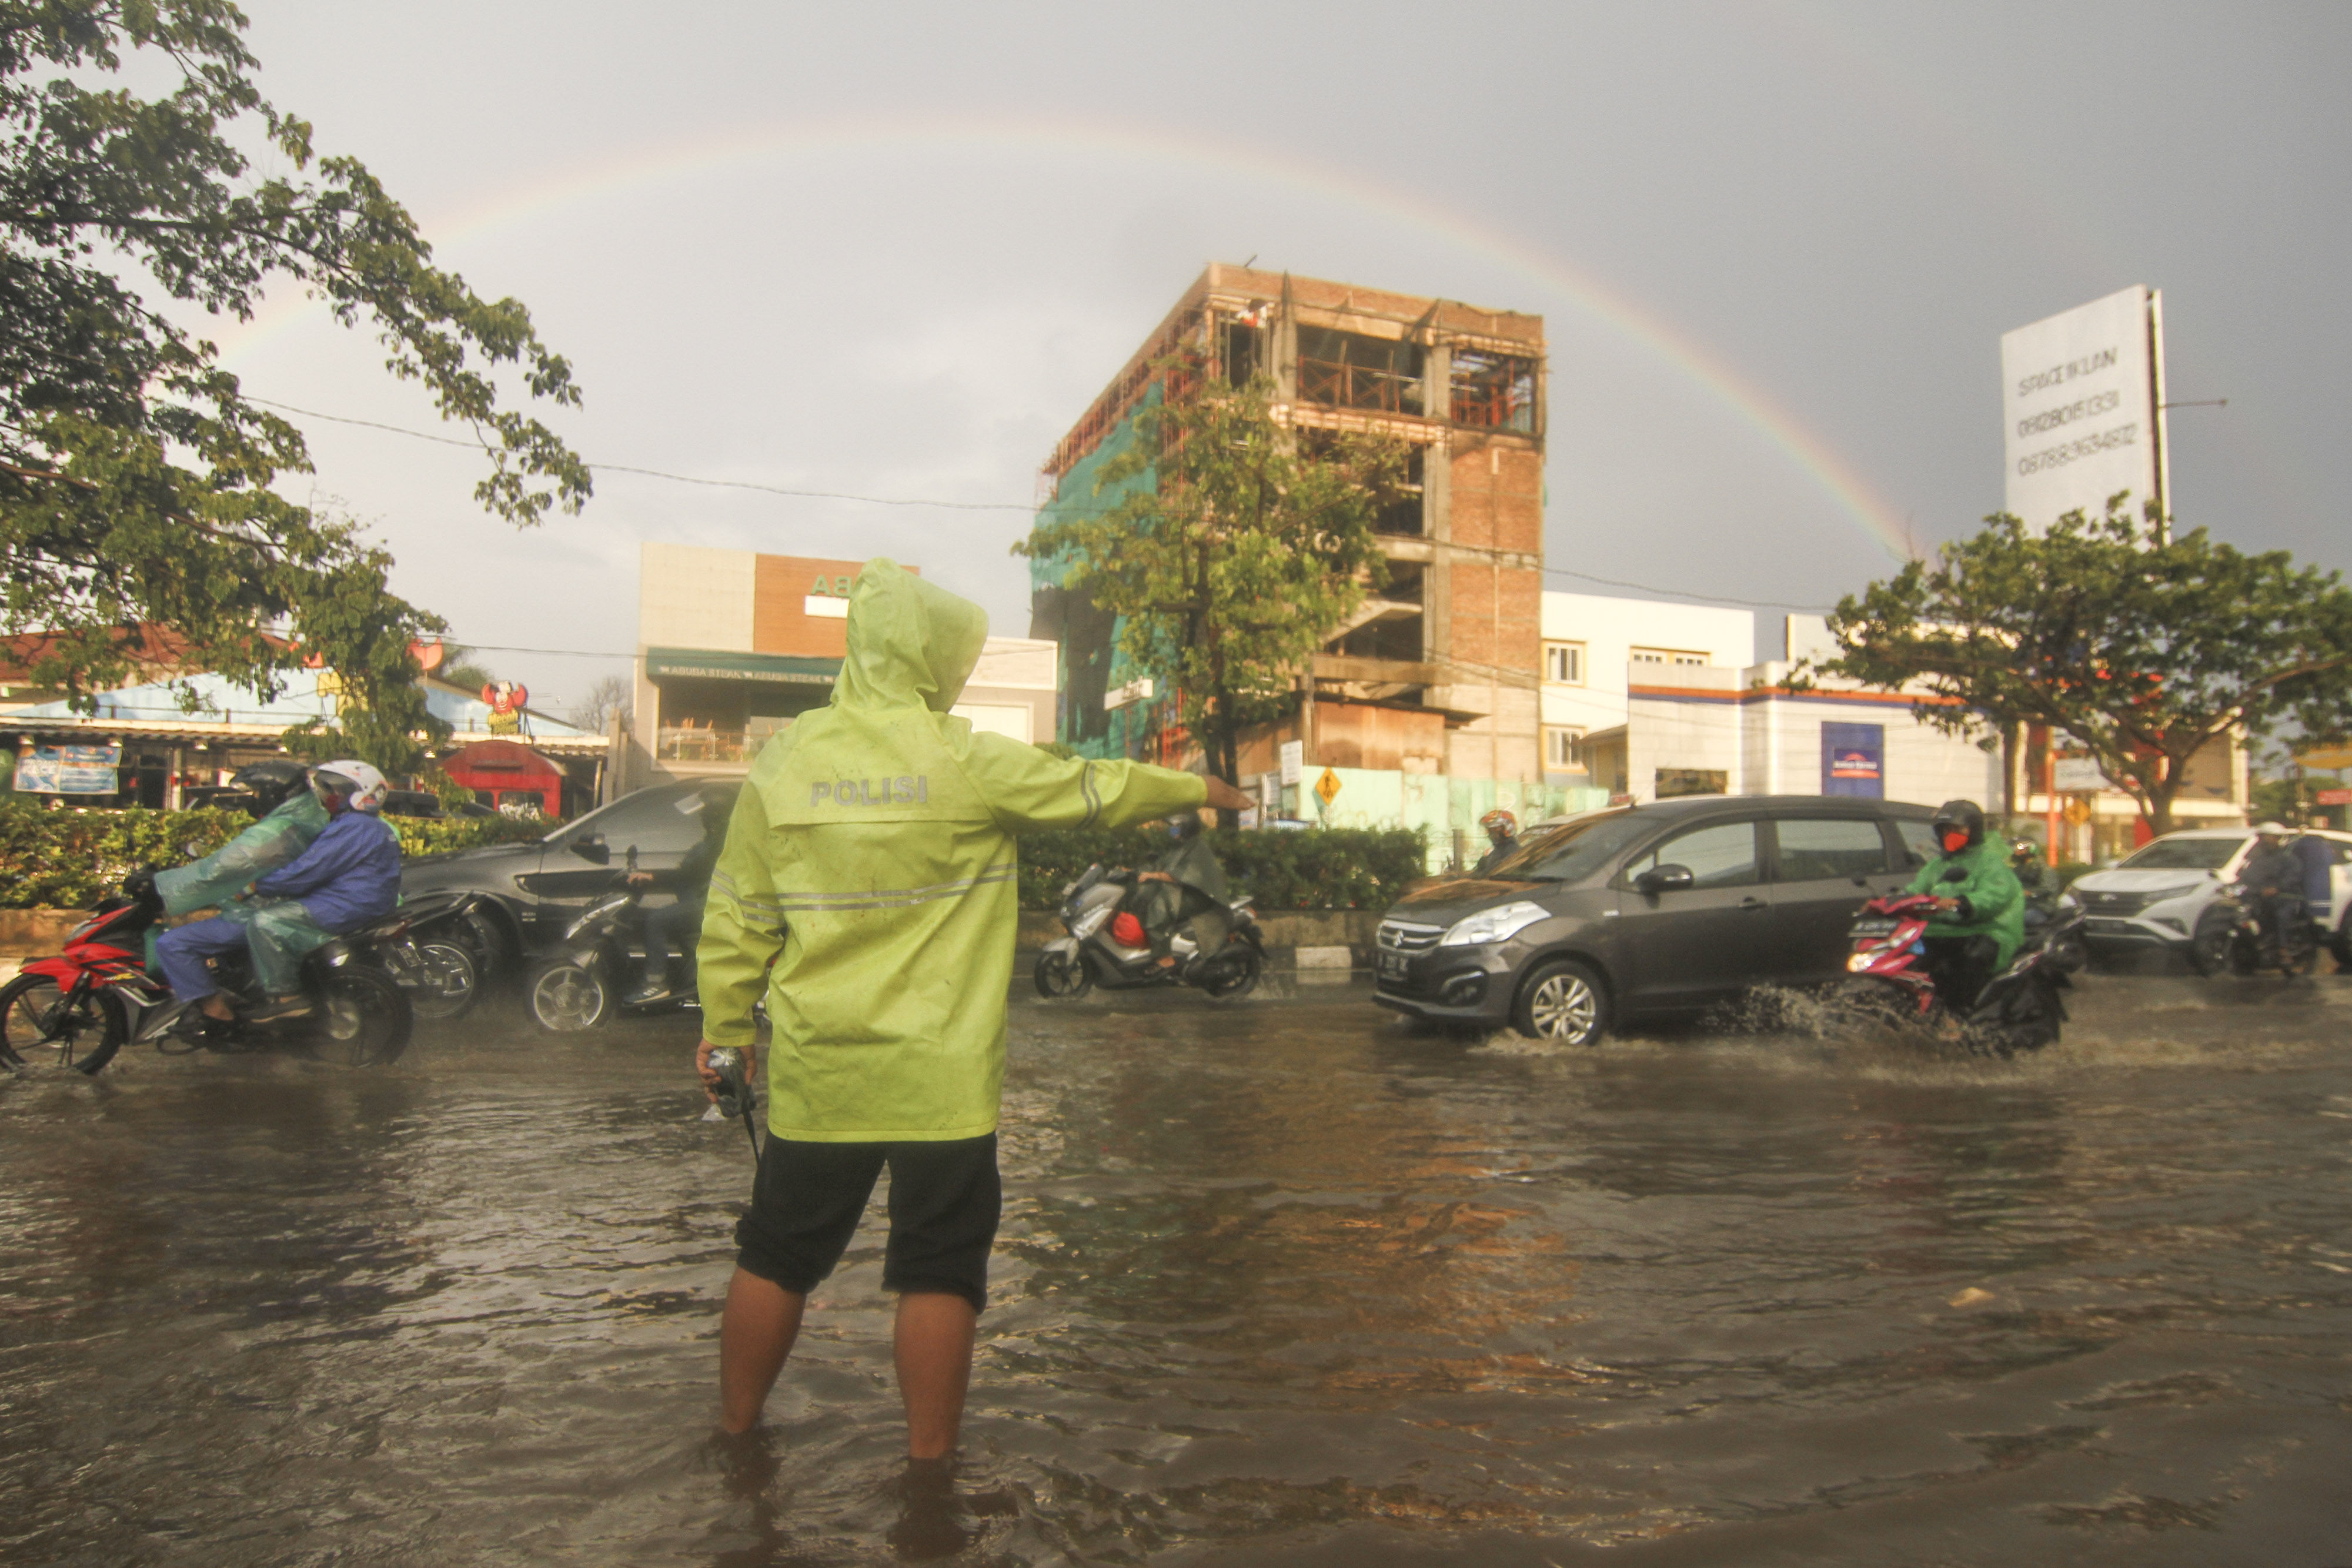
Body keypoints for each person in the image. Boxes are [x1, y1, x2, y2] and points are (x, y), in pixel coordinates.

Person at [692, 560, 1250, 1465]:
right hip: (942, 1081)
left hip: (821, 1070)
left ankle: (730, 1439)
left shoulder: (786, 761)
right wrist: (1195, 788)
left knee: (776, 1253)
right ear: (931, 657)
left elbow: (739, 915)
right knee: (940, 1269)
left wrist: (724, 1031)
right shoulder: (966, 758)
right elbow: (1093, 785)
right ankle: (928, 1476)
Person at [153, 760, 403, 1026]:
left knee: (267, 922)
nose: (329, 797)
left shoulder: (354, 826)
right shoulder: (360, 825)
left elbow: (305, 871)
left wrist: (256, 887)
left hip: (347, 904)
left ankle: (286, 999)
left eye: (336, 791)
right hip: (356, 901)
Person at [1905, 798, 2024, 1012]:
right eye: (1945, 830)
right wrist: (1891, 902)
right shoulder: (1937, 864)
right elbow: (1916, 889)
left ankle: (1966, 1015)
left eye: (1956, 829)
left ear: (1974, 830)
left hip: (1986, 929)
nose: (1949, 835)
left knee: (1971, 961)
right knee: (1913, 959)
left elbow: (1996, 894)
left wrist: (1964, 903)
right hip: (1940, 931)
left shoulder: (1990, 861)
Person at [623, 784, 737, 1005]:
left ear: (715, 813)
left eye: (705, 812)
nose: (702, 817)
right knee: (674, 921)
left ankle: (655, 984)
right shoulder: (716, 838)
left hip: (716, 904)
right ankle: (695, 978)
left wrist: (652, 878)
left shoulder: (722, 842)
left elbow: (692, 873)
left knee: (656, 921)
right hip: (710, 901)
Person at [1133, 808, 1228, 968]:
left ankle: (1164, 955)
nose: (1172, 829)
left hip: (1200, 897)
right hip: (1186, 891)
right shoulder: (1182, 845)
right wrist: (1135, 872)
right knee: (1143, 895)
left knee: (1160, 908)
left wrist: (1154, 876)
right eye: (1172, 826)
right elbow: (1162, 866)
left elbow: (1179, 876)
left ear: (1187, 827)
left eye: (1176, 826)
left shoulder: (1197, 848)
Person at [2239, 822, 2304, 964]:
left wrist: (2277, 888)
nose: (2266, 841)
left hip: (2286, 897)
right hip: (2261, 896)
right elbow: (2248, 875)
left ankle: (2283, 950)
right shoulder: (2257, 859)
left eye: (2270, 838)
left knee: (2281, 916)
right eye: (2263, 838)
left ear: (2279, 838)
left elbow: (2294, 876)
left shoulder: (2288, 858)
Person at [1471, 808, 1519, 877]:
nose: (1490, 833)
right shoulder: (1499, 849)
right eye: (1489, 830)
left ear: (1506, 829)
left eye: (1494, 829)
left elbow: (1491, 873)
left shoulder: (1511, 850)